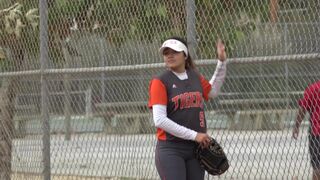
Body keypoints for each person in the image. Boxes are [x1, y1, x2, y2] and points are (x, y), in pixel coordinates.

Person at [148, 36, 227, 180]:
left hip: (196, 149)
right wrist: (195, 135)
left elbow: (212, 91)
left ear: (185, 55)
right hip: (171, 148)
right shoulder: (160, 81)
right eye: (166, 53)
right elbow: (159, 120)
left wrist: (221, 62)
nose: (170, 55)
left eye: (175, 51)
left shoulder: (194, 76)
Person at [292, 80, 320, 180]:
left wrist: (296, 126)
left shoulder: (314, 88)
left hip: (317, 133)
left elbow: (303, 108)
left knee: (317, 166)